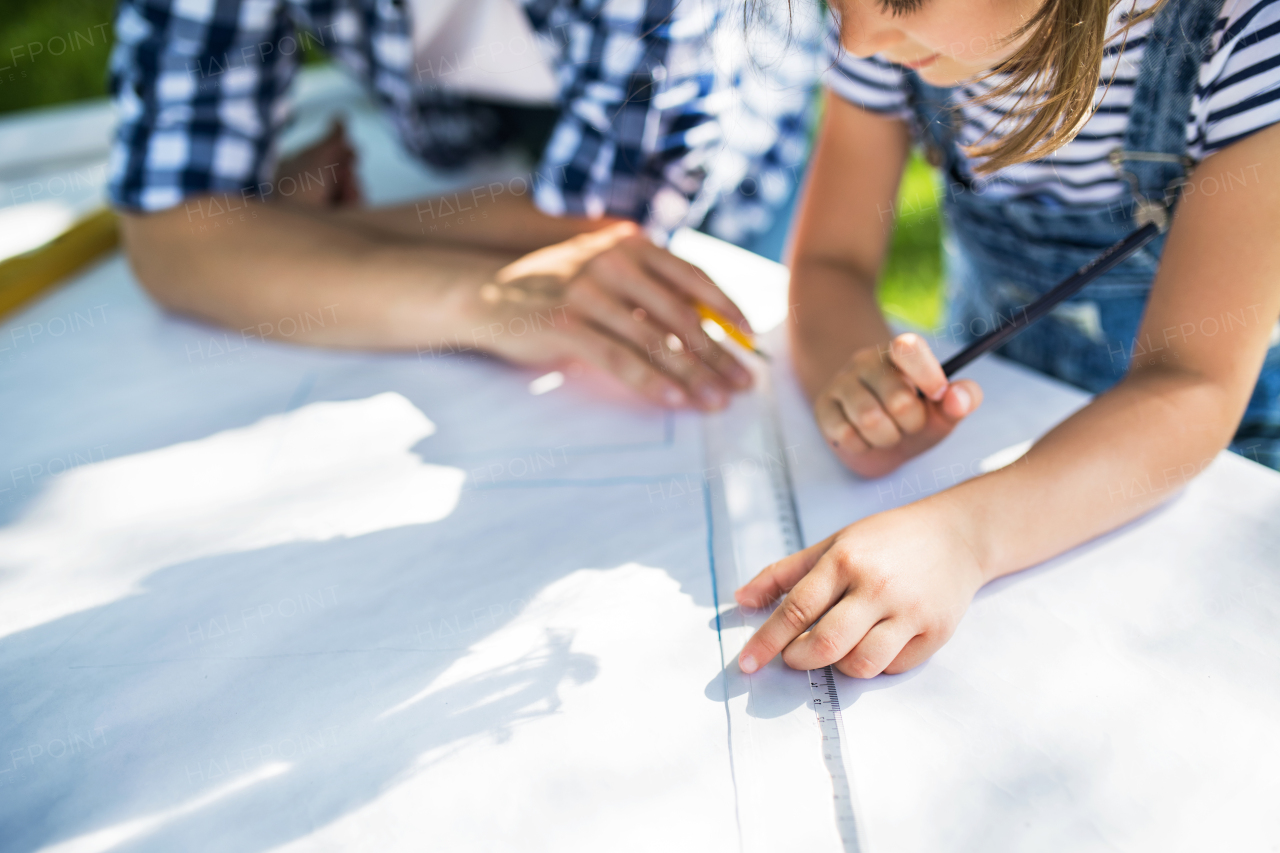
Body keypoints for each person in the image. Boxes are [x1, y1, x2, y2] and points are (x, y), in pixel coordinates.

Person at [735, 0, 1280, 679]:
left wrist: (961, 535)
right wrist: (861, 387)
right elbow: (832, 266)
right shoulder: (887, 37)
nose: (857, 38)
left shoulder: (1246, 38)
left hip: (1224, 459)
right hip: (1001, 408)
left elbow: (1191, 383)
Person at [106, 0, 820, 411]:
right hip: (461, 134)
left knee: (723, 354)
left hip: (727, 149)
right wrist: (484, 298)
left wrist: (280, 231)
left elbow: (604, 238)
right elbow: (171, 238)